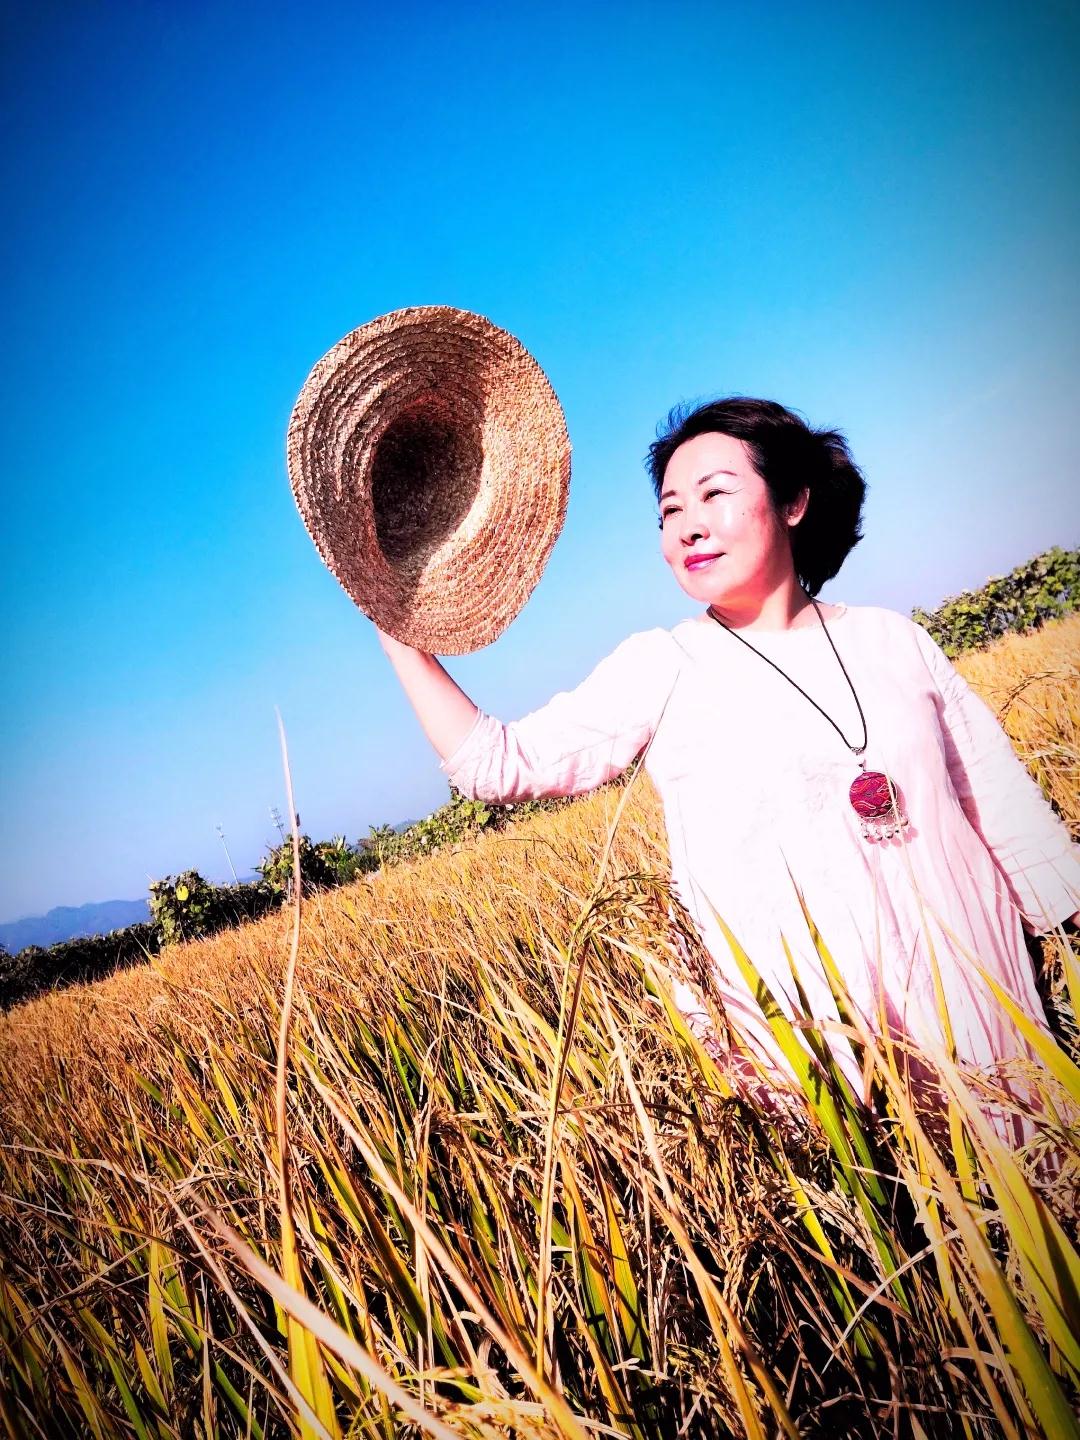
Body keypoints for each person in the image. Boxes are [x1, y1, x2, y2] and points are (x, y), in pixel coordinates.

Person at [375, 397, 1080, 1118]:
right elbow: (497, 763)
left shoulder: (892, 639)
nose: (688, 525)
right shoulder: (663, 666)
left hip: (985, 1009)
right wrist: (394, 627)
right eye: (670, 511)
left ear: (794, 502)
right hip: (819, 1056)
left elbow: (1001, 811)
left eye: (714, 493)